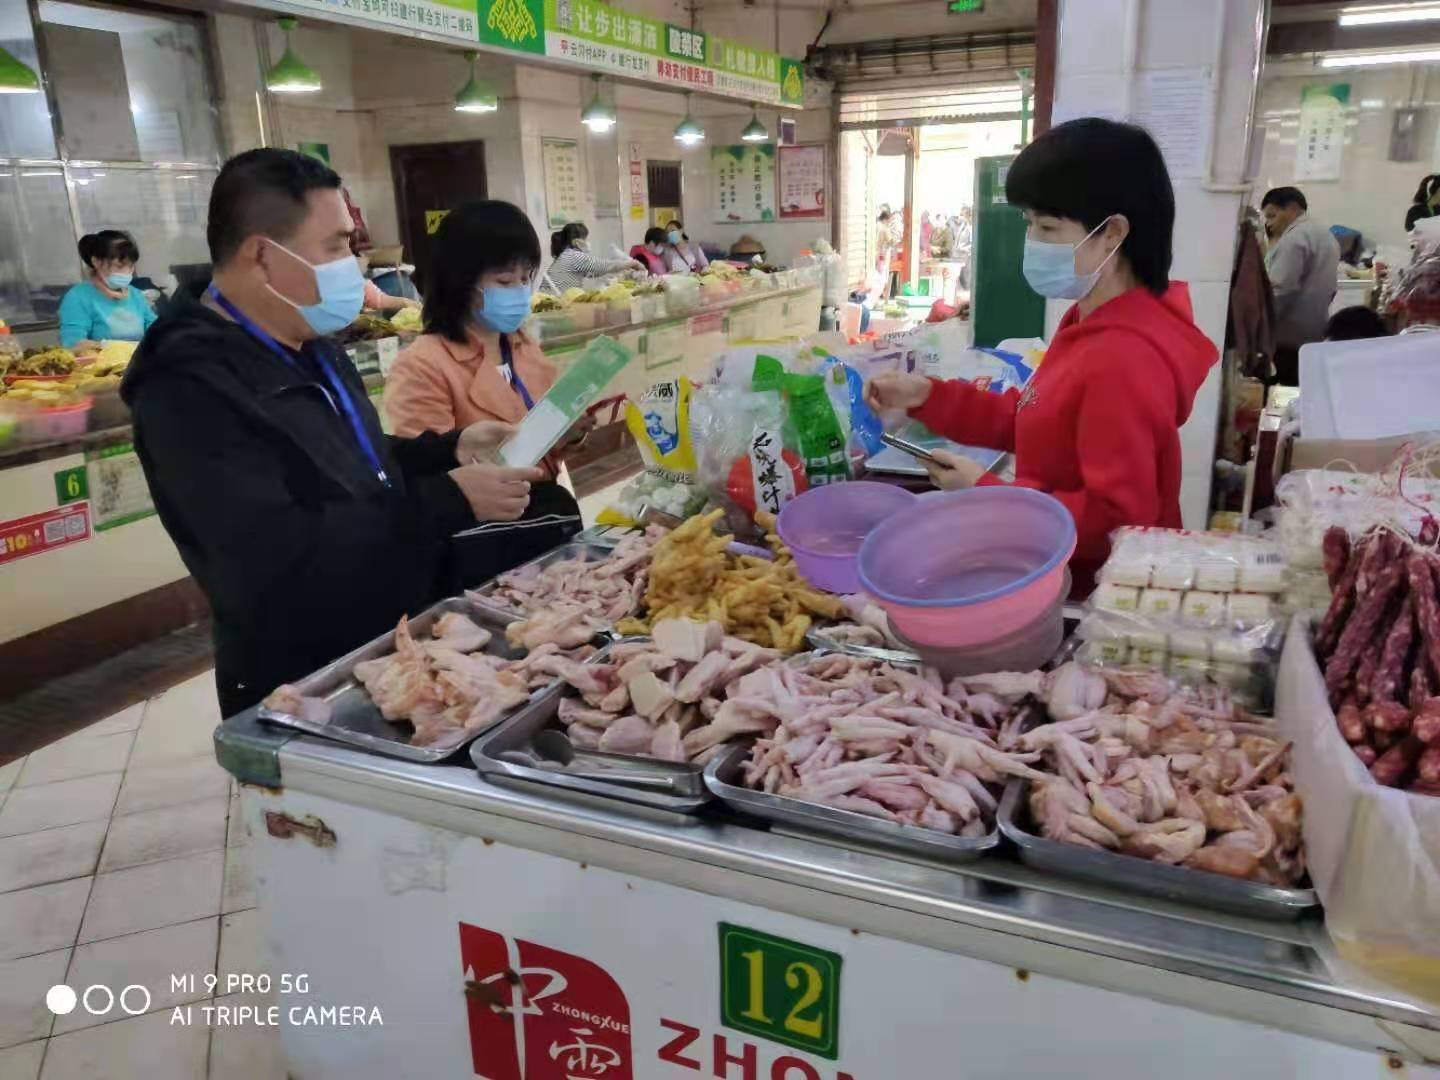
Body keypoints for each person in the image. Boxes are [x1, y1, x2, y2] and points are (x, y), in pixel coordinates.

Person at [121, 148, 545, 716]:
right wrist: (448, 499)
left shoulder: (310, 345)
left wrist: (447, 450)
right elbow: (273, 553)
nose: (355, 262)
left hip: (384, 635)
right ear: (263, 257)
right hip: (302, 672)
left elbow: (349, 458)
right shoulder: (189, 387)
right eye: (337, 245)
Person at [865, 119, 1217, 596]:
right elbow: (1035, 418)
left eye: (1048, 226)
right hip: (1051, 562)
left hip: (1093, 595)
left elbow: (1117, 521)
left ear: (1112, 232)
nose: (1032, 241)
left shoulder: (1124, 357)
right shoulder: (1092, 320)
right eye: (1029, 222)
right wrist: (926, 396)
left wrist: (989, 497)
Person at [1261, 186, 1340, 385]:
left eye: (1272, 215)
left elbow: (1281, 289)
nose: (1268, 224)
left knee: (1283, 392)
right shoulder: (1325, 235)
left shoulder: (1294, 239)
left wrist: (1260, 328)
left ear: (1293, 209)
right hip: (1314, 330)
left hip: (1288, 335)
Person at [58, 230, 158, 351]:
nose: (127, 272)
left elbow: (157, 332)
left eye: (131, 266)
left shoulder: (136, 295)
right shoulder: (78, 297)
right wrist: (113, 347)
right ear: (96, 262)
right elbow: (72, 344)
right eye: (119, 266)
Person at [541, 222, 642, 294]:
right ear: (576, 242)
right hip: (554, 303)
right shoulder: (573, 255)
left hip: (553, 300)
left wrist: (622, 270)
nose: (588, 242)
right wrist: (633, 263)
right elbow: (603, 266)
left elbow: (594, 272)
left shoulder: (566, 255)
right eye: (585, 239)